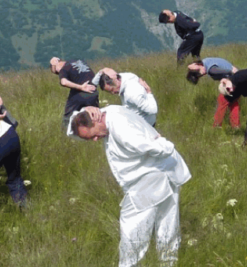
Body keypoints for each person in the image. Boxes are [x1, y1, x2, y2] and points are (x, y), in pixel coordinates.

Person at [71, 105, 191, 267]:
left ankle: (130, 264)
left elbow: (152, 146)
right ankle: (168, 262)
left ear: (95, 120)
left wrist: (164, 143)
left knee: (133, 227)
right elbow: (72, 126)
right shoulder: (109, 111)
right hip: (164, 171)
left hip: (150, 177)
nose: (95, 139)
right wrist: (85, 109)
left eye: (94, 135)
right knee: (167, 222)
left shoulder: (122, 130)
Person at [185, 58, 240, 128]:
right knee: (234, 103)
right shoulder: (206, 62)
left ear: (198, 66)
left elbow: (228, 72)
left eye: (199, 72)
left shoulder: (211, 70)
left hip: (233, 81)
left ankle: (217, 125)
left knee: (222, 100)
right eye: (199, 75)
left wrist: (226, 81)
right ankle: (235, 126)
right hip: (236, 80)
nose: (201, 73)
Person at [50, 57, 99, 133]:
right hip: (93, 92)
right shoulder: (78, 61)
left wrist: (81, 87)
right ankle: (97, 133)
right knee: (95, 116)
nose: (58, 73)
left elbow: (64, 82)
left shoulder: (64, 68)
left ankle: (66, 134)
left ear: (57, 64)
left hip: (80, 94)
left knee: (69, 117)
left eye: (56, 72)